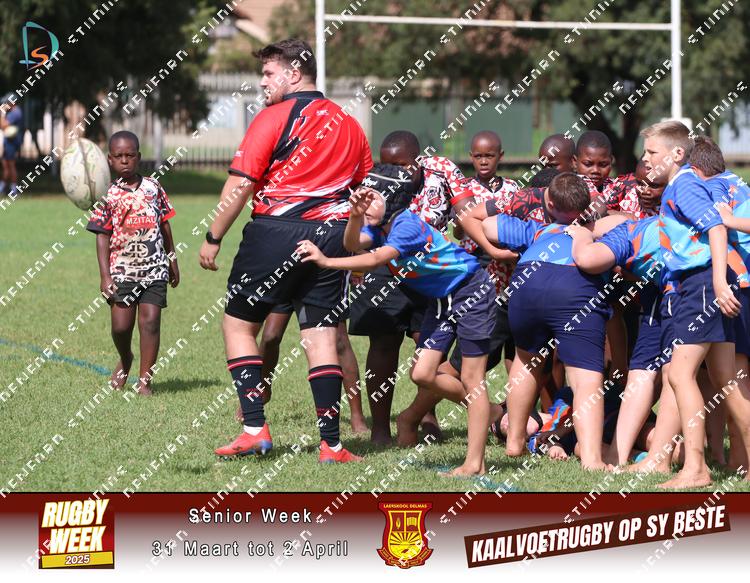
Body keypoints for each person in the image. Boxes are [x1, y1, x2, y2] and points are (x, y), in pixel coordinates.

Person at [199, 39, 372, 462]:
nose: (262, 82)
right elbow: (364, 195)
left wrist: (213, 236)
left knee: (239, 326)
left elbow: (241, 184)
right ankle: (332, 445)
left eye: (268, 73)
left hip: (275, 233)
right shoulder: (350, 124)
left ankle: (254, 429)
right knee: (321, 337)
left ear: (294, 74)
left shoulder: (273, 116)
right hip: (331, 238)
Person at [298, 165, 496, 476]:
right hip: (442, 299)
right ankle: (489, 410)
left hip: (471, 289)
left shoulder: (405, 226)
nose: (364, 202)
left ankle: (475, 464)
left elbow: (376, 258)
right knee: (422, 373)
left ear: (392, 199)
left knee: (473, 380)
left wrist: (325, 261)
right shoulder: (380, 226)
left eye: (372, 197)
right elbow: (352, 244)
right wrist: (355, 216)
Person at [480, 172, 614, 470]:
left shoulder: (537, 230)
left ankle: (515, 441)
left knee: (526, 360)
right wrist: (592, 225)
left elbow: (488, 224)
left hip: (527, 282)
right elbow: (624, 222)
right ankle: (592, 460)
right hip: (574, 286)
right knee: (585, 377)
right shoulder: (593, 229)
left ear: (549, 203)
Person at [347, 130, 474, 445]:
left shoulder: (441, 169)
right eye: (388, 164)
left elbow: (467, 210)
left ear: (419, 160)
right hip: (385, 266)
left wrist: (477, 238)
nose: (395, 172)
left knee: (428, 346)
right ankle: (380, 429)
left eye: (403, 165)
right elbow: (360, 229)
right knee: (383, 344)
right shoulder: (376, 179)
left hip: (430, 271)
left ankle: (424, 417)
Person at [644, 121, 748, 488]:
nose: (645, 159)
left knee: (679, 374)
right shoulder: (684, 183)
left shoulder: (684, 184)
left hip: (702, 284)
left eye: (652, 152)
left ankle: (696, 469)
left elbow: (716, 228)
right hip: (706, 283)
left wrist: (718, 282)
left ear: (676, 154)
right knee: (725, 380)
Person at [86, 130, 179, 397]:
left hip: (154, 268)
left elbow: (165, 225)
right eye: (119, 156)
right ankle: (126, 357)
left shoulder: (153, 187)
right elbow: (102, 236)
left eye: (130, 155)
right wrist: (105, 276)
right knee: (121, 327)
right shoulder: (107, 194)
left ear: (138, 157)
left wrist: (172, 259)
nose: (125, 160)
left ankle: (145, 381)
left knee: (150, 323)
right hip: (122, 271)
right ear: (110, 159)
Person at [0, 99, 24, 196]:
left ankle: (13, 190)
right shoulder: (12, 112)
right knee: (6, 166)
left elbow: (3, 125)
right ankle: (4, 188)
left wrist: (2, 114)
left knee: (10, 166)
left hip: (11, 143)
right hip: (8, 142)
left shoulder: (15, 113)